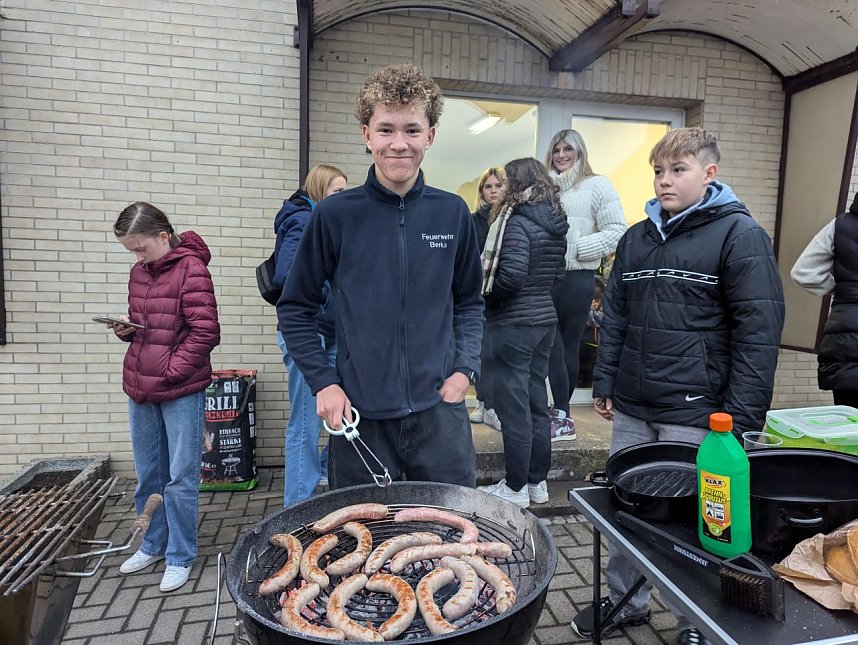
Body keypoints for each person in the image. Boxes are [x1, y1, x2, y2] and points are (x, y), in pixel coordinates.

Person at [570, 127, 785, 645]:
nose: (665, 181)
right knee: (626, 509)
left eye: (678, 170)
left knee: (697, 524)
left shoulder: (739, 236)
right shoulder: (637, 237)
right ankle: (627, 601)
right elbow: (615, 318)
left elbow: (759, 332)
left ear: (709, 173)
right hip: (634, 408)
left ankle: (698, 622)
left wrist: (743, 420)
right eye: (659, 171)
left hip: (698, 416)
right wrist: (607, 380)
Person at [279, 64, 483, 489]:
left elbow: (469, 303)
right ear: (366, 135)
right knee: (364, 538)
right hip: (361, 418)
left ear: (430, 135)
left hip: (439, 414)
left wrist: (464, 370)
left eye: (411, 130)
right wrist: (324, 383)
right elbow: (295, 307)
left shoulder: (453, 213)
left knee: (451, 537)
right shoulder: (335, 216)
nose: (399, 144)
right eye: (386, 130)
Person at [107, 202, 220, 593]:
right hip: (140, 386)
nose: (137, 257)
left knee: (180, 477)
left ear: (162, 235)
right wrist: (127, 330)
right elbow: (148, 325)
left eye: (141, 248)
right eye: (131, 251)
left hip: (178, 388)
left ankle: (180, 555)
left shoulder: (192, 269)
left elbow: (205, 333)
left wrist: (170, 371)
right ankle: (153, 544)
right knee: (147, 474)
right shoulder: (139, 272)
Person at [476, 158, 568, 507]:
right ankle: (536, 484)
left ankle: (515, 488)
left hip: (515, 324)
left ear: (516, 183)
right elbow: (557, 275)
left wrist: (489, 296)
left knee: (515, 410)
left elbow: (511, 277)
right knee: (535, 406)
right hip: (544, 322)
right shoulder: (555, 221)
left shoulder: (516, 221)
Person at [544, 129, 627, 440]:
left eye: (569, 149)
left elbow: (617, 229)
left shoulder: (596, 185)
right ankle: (550, 410)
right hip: (546, 276)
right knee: (547, 344)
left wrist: (580, 249)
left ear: (580, 152)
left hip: (577, 277)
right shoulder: (545, 189)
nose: (562, 155)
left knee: (564, 344)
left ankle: (563, 414)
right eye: (557, 149)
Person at [273, 164, 347, 506]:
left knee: (336, 416)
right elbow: (287, 276)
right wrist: (326, 300)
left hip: (331, 332)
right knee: (306, 424)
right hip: (309, 334)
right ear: (319, 191)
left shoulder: (328, 221)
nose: (343, 199)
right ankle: (297, 511)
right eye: (337, 192)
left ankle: (317, 481)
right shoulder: (303, 220)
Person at [791, 192, 858, 406]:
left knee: (849, 428)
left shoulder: (841, 226)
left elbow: (803, 272)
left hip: (845, 343)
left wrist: (843, 291)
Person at [469, 166, 505, 432]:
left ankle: (493, 404)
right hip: (478, 293)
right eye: (488, 187)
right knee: (481, 352)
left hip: (502, 294)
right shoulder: (474, 220)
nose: (493, 191)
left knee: (496, 354)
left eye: (497, 186)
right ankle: (483, 402)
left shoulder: (510, 219)